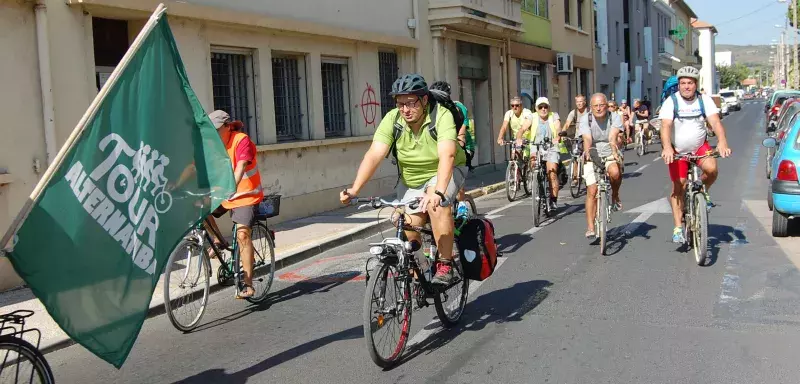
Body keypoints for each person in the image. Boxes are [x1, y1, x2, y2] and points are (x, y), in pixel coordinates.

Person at [340, 73, 468, 285]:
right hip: (411, 179)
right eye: (400, 104)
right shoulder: (393, 120)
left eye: (410, 103)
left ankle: (446, 264)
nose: (405, 110)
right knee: (406, 224)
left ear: (424, 100)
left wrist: (438, 191)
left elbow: (448, 155)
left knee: (438, 206)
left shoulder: (441, 115)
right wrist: (354, 189)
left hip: (447, 170)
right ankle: (421, 268)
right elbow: (374, 154)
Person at [196, 110, 265, 298]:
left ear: (228, 127)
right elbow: (197, 165)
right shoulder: (212, 145)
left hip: (245, 195)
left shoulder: (241, 140)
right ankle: (218, 238)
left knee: (243, 235)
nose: (214, 134)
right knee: (198, 209)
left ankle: (248, 284)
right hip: (225, 194)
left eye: (217, 130)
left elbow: (241, 166)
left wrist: (231, 188)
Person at [660, 66, 732, 243]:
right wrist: (667, 147)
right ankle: (678, 227)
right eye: (683, 83)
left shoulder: (704, 100)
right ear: (679, 85)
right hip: (678, 150)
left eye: (690, 83)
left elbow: (715, 122)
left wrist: (722, 142)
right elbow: (666, 126)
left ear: (696, 84)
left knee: (712, 169)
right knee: (679, 186)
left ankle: (703, 189)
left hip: (700, 147)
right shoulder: (672, 101)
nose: (686, 86)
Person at [579, 93, 624, 239]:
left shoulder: (615, 117)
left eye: (602, 105)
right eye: (595, 106)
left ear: (607, 105)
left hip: (608, 148)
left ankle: (615, 195)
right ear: (591, 107)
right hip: (591, 150)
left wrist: (614, 151)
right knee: (592, 190)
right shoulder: (586, 118)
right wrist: (587, 152)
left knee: (615, 173)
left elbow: (612, 137)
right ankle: (591, 227)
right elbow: (587, 138)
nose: (599, 108)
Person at [517, 97, 562, 210]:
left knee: (552, 173)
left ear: (548, 107)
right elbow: (522, 129)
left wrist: (558, 136)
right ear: (536, 108)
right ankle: (536, 182)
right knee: (533, 164)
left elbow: (558, 128)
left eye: (545, 107)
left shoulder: (554, 116)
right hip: (536, 146)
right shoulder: (532, 117)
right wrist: (519, 138)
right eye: (540, 107)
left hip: (551, 147)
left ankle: (553, 200)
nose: (543, 109)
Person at [562, 95, 589, 186]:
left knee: (587, 156)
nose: (579, 103)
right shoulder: (574, 113)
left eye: (581, 101)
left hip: (588, 137)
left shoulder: (589, 112)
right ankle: (575, 178)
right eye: (577, 102)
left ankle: (588, 175)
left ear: (584, 102)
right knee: (575, 156)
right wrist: (562, 133)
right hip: (578, 137)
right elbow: (567, 124)